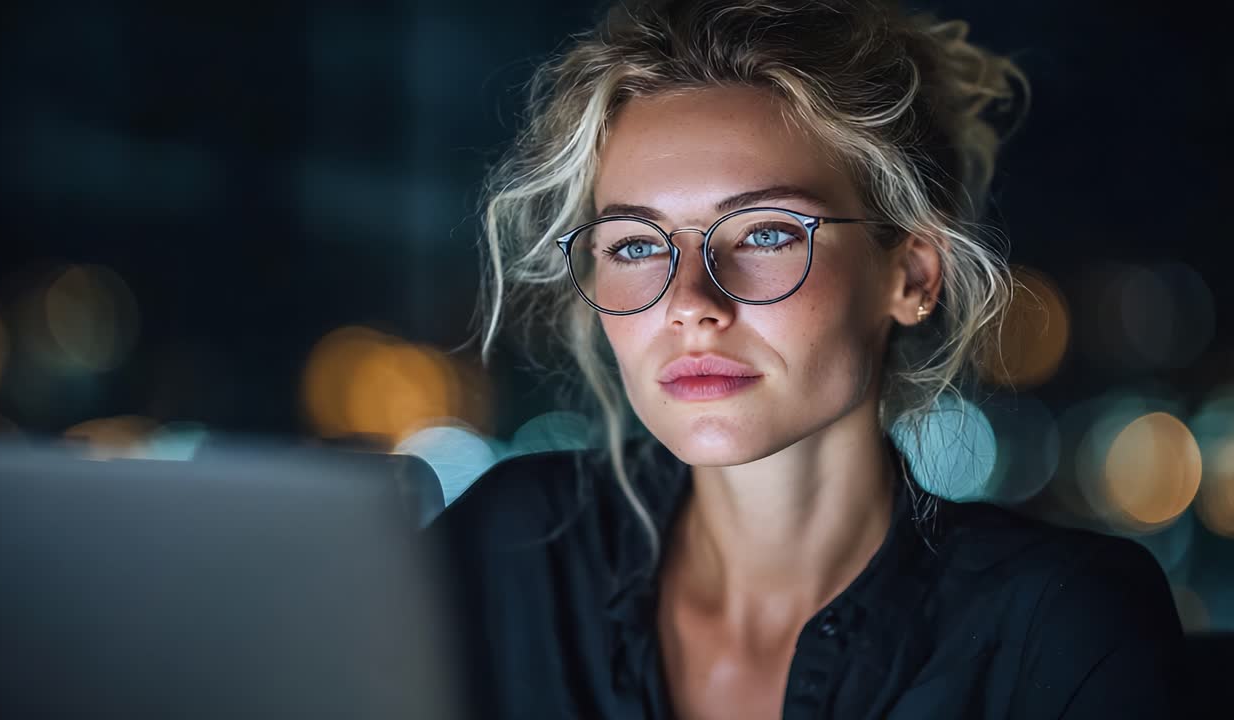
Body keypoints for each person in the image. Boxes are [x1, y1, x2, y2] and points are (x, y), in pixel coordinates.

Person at [423, 0, 1185, 717]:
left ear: (911, 274)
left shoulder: (1059, 628)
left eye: (764, 233)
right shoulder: (507, 550)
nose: (689, 300)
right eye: (633, 244)